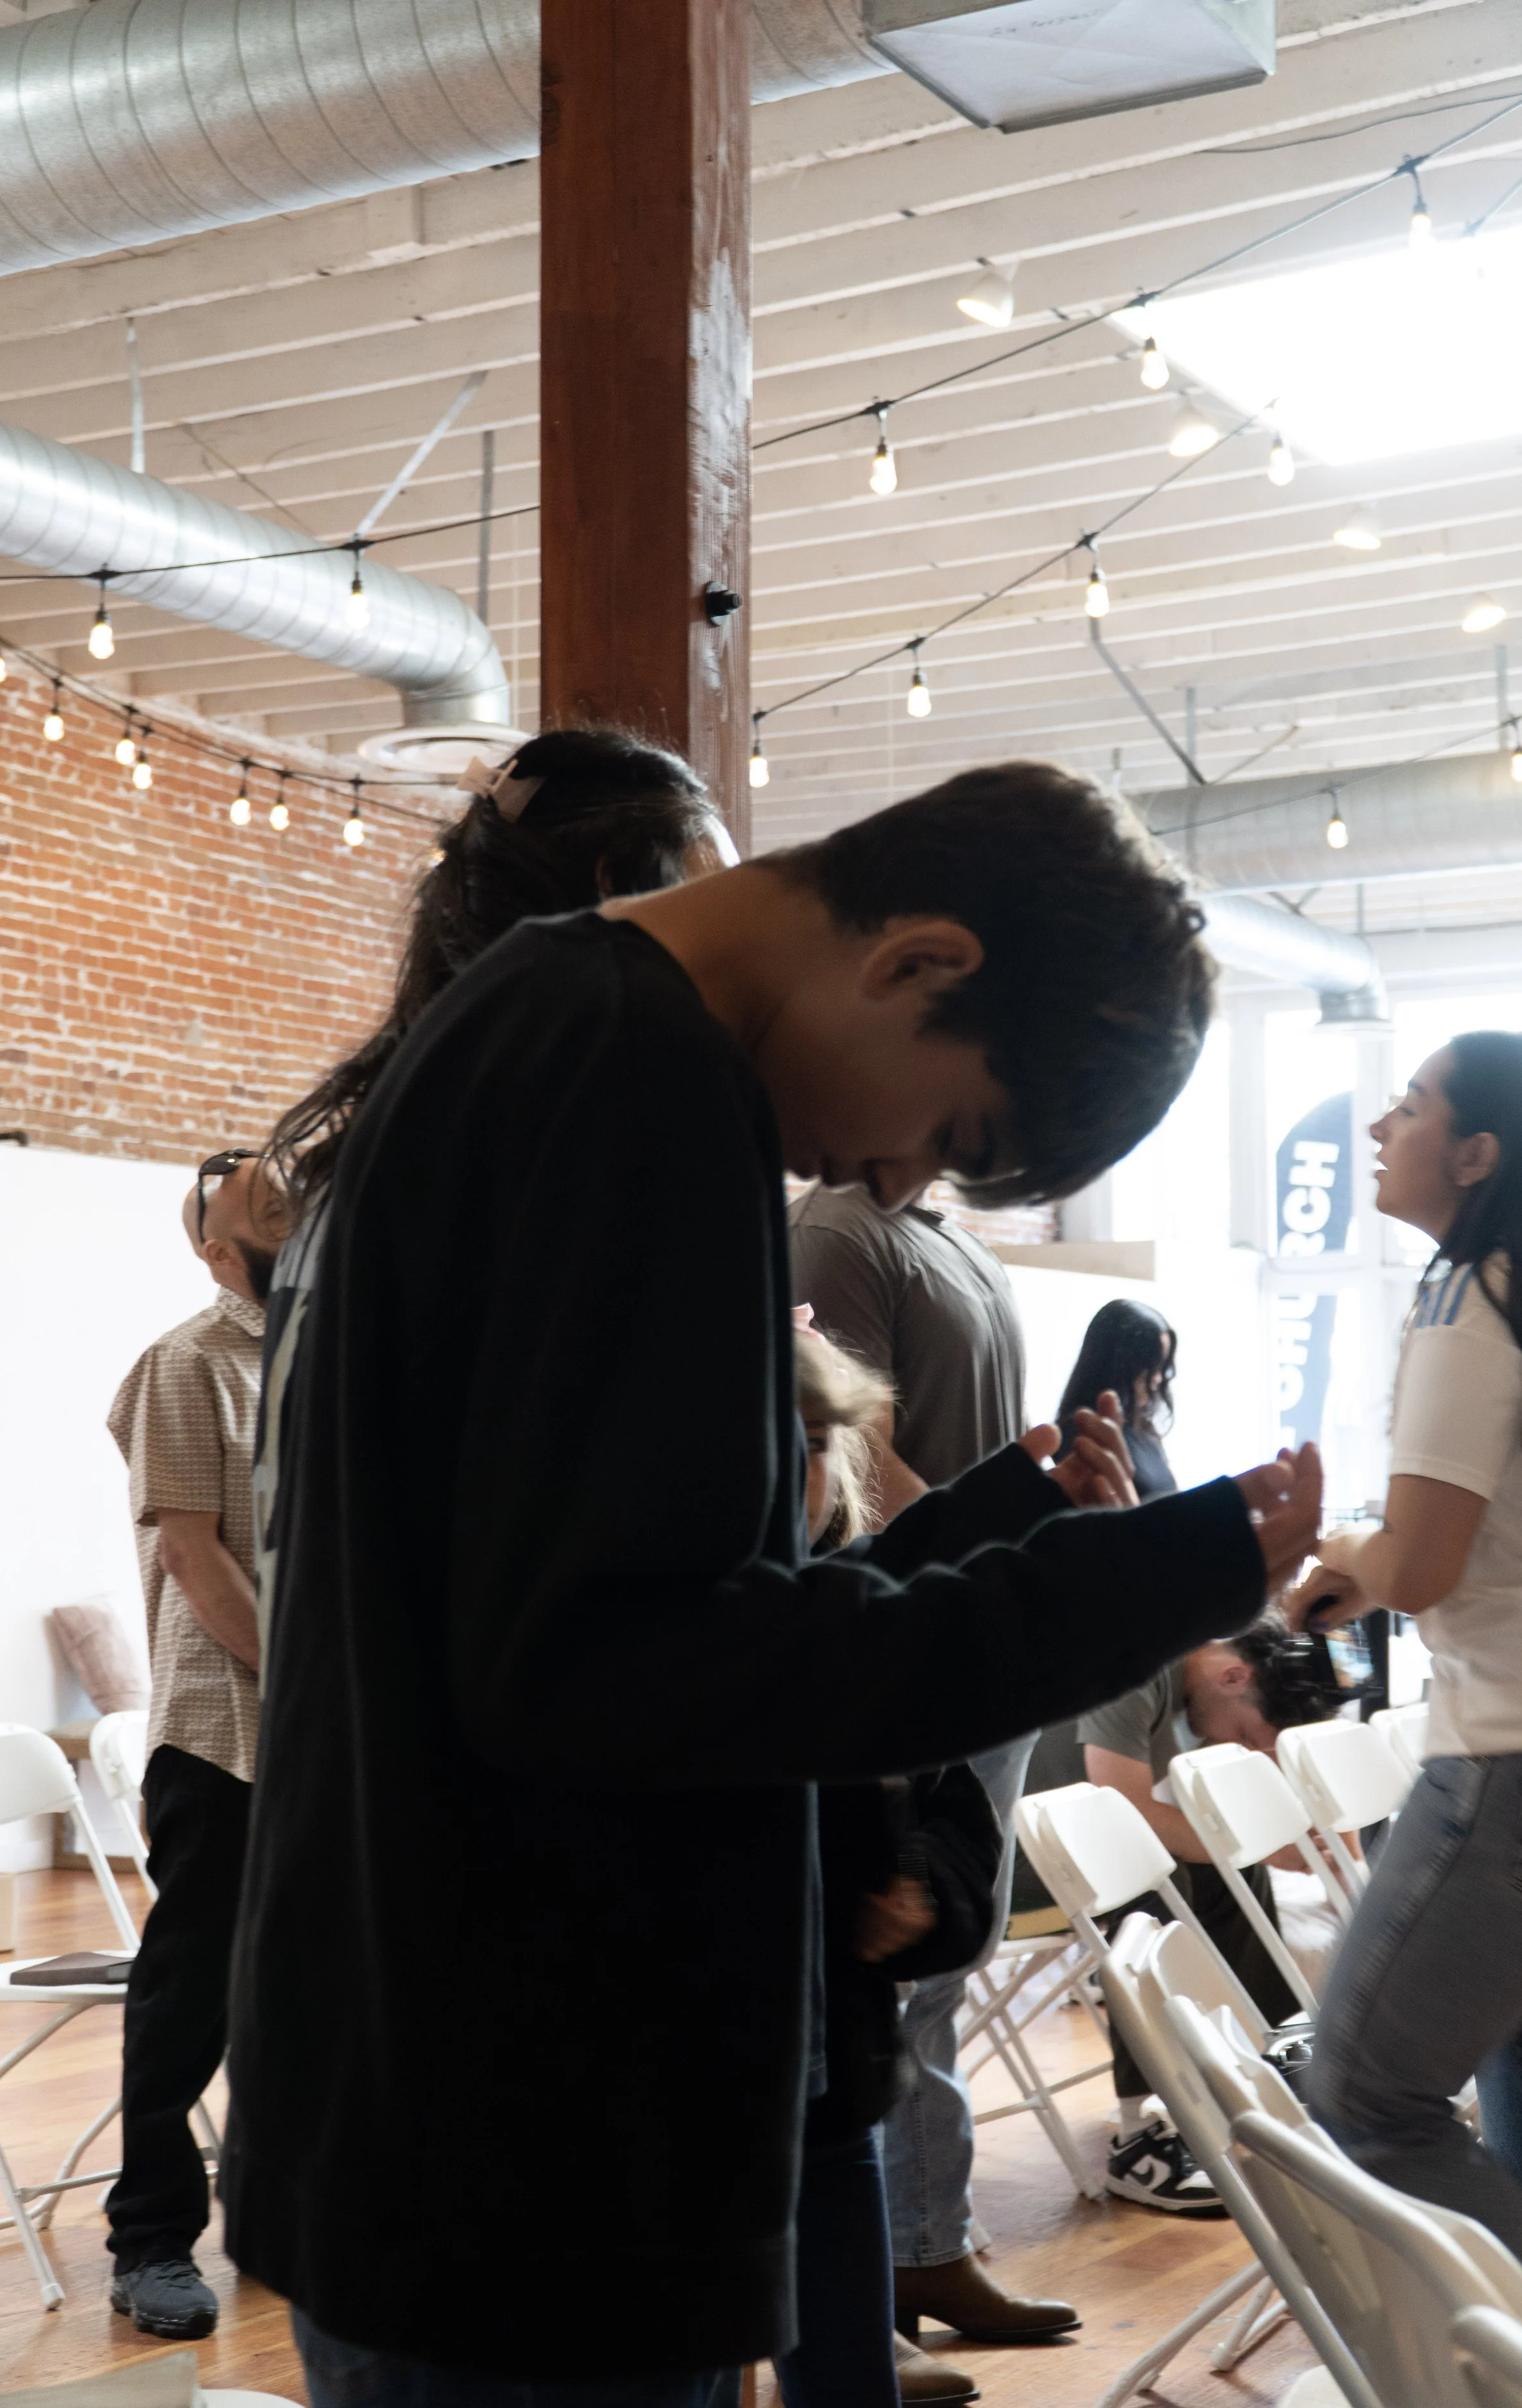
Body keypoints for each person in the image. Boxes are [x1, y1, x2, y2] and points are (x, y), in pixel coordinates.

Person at [224, 758, 1322, 2408]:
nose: (890, 1178)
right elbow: (641, 1660)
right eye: (950, 1132)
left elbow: (632, 1599)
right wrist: (1139, 1576)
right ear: (919, 960)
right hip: (528, 2146)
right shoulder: (629, 1070)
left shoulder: (553, 1031)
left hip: (468, 2113)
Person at [254, 726, 733, 1657]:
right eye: (712, 891)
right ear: (612, 888)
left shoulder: (400, 1135)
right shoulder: (539, 1155)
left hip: (359, 1742)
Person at [1288, 1032, 1522, 2346]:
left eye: (1409, 1105)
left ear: (1476, 1154)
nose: (1377, 1123)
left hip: (1521, 1766)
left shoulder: (1469, 1297)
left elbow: (1418, 1566)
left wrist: (1336, 1558)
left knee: (1362, 2099)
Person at [790, 1183, 1083, 2359]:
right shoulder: (838, 1231)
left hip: (963, 1618)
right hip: (921, 1621)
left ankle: (922, 2246)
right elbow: (855, 1434)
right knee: (889, 1964)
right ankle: (872, 2289)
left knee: (940, 1959)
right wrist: (978, 1589)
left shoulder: (953, 1242)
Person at [103, 1154, 284, 2340]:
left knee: (308, 1987)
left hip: (327, 1734)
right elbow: (192, 1552)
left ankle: (276, 2217)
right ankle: (151, 2238)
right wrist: (311, 1680)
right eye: (263, 1205)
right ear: (216, 1250)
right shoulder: (187, 1362)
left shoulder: (324, 1353)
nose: (291, 1210)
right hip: (226, 1730)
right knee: (192, 1991)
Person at [1077, 1621, 1349, 2210]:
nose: (1248, 1750)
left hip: (1085, 1846)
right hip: (1026, 1859)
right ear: (1233, 1676)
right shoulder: (1139, 1662)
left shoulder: (1193, 1687)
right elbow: (1117, 1807)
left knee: (1225, 1865)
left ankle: (1264, 2070)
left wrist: (1283, 1836)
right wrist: (1258, 1844)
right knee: (1157, 1874)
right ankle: (1139, 2137)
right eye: (1251, 1736)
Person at [1054, 1300, 1178, 1500]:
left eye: (1163, 1367)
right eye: (1152, 1366)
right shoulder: (1082, 1434)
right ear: (1121, 1364)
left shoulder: (1145, 1431)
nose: (1158, 1379)